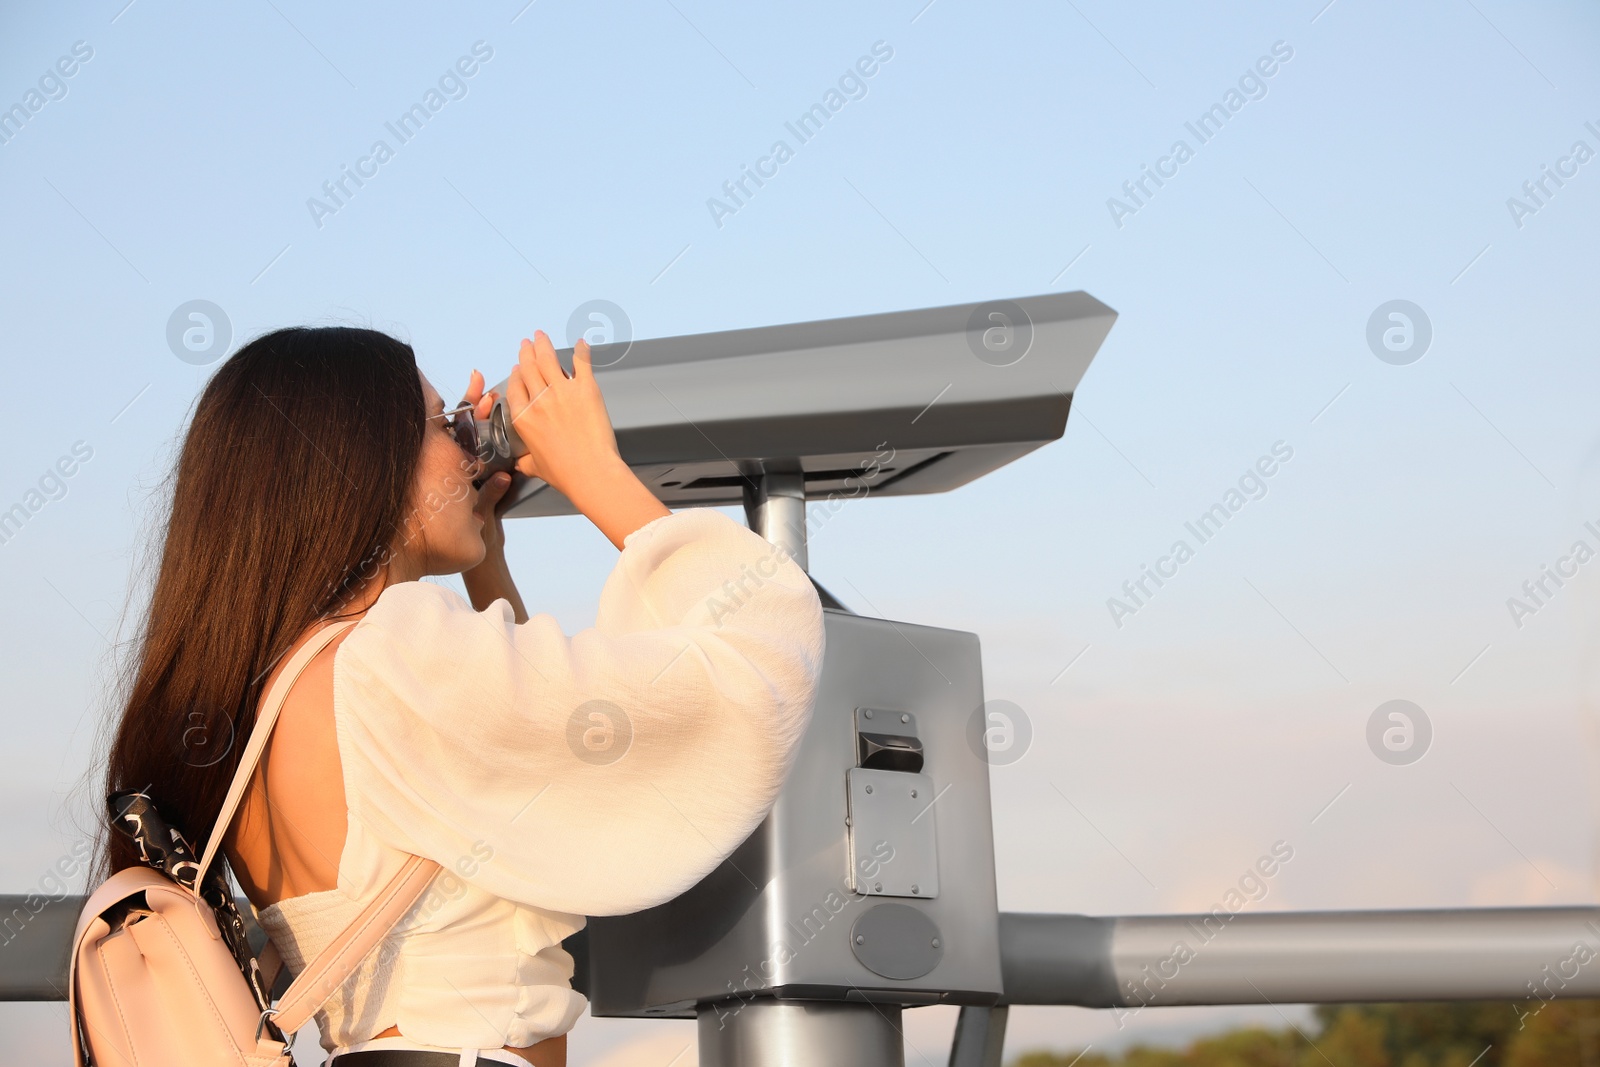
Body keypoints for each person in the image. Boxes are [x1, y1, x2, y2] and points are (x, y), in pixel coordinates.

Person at [99, 326, 826, 1067]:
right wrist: (598, 473)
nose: (469, 449)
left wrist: (485, 558)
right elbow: (745, 676)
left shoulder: (281, 680)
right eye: (444, 425)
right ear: (364, 460)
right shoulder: (393, 653)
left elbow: (521, 762)